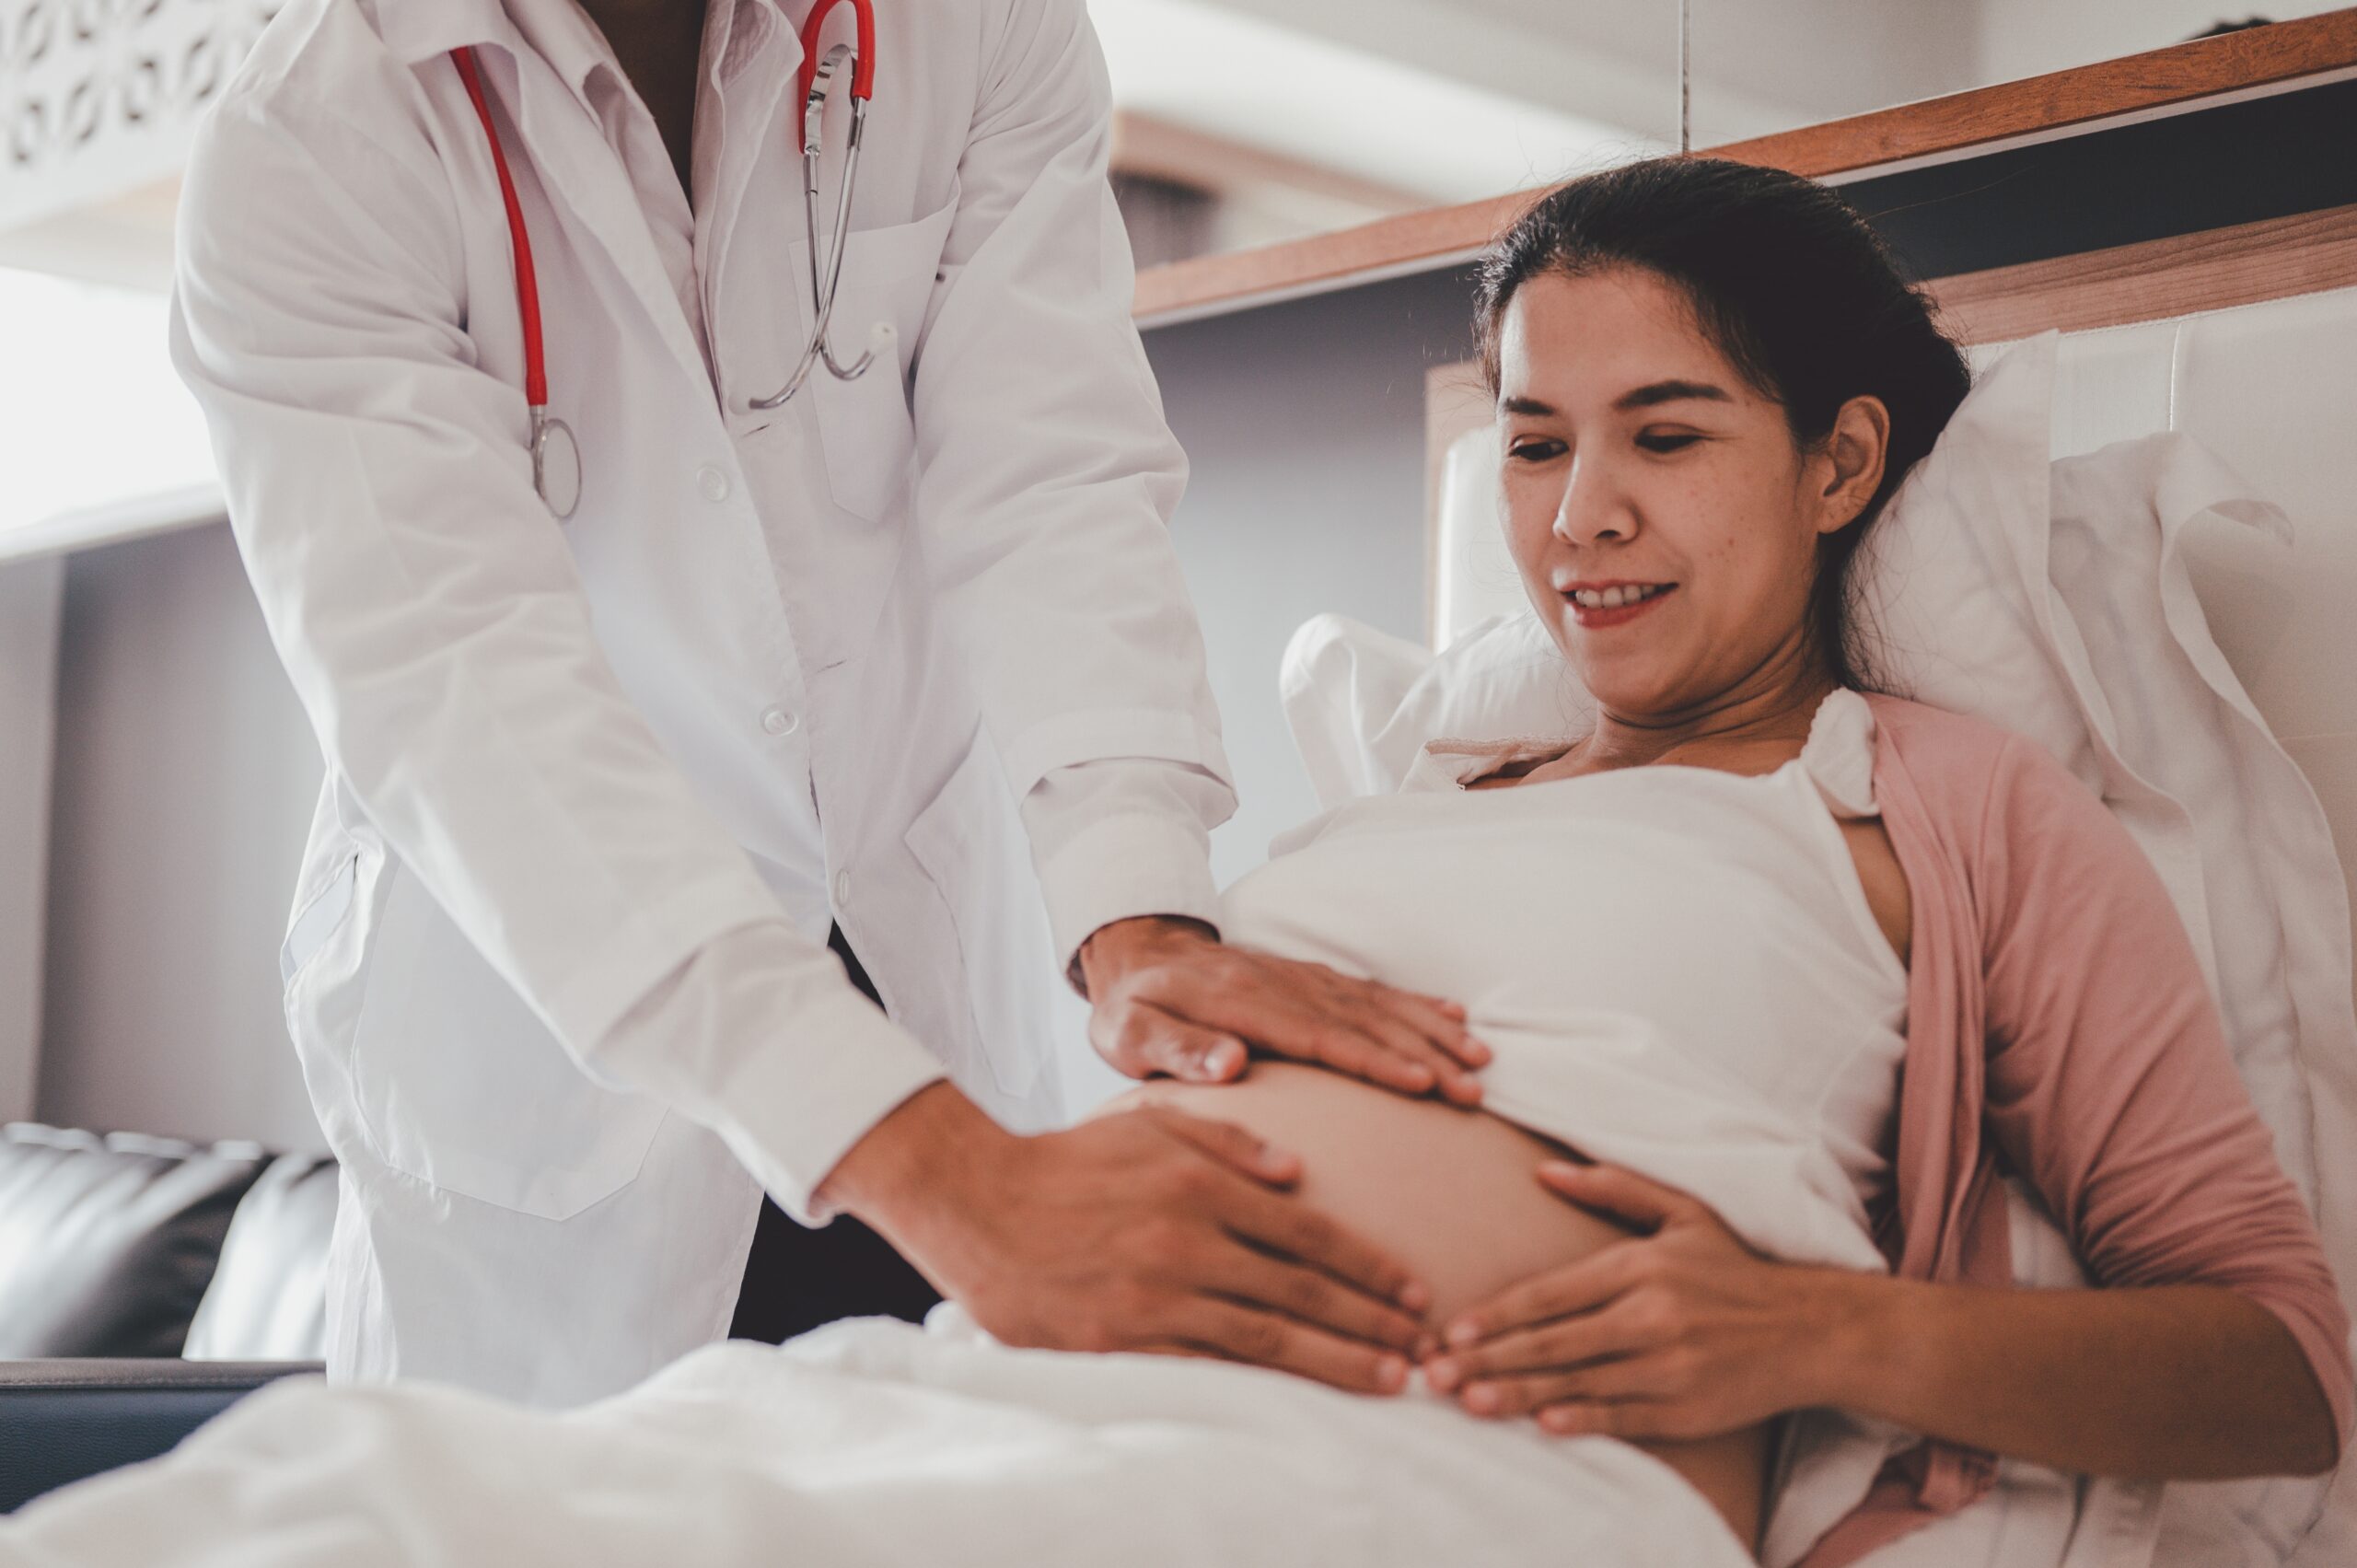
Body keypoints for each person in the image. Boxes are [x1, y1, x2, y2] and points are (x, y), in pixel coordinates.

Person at [27, 152, 2347, 1568]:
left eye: (1664, 434)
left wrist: (1824, 1334)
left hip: (1451, 1489)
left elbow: (2281, 1358)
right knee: (325, 1520)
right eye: (1533, 445)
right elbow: (460, 695)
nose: (1576, 519)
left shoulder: (1935, 800)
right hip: (1016, 1395)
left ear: (1840, 462)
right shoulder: (1413, 790)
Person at [168, 0, 1488, 1410]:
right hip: (572, 1044)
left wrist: (1136, 901)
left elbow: (1052, 474)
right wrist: (944, 1171)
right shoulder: (311, 137)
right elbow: (466, 708)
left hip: (927, 957)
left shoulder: (976, 28)